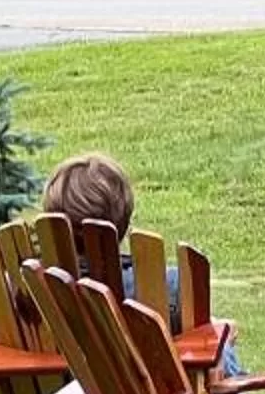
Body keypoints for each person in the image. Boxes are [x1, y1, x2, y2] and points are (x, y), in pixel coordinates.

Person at [39, 151, 236, 373]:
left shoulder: (28, 288)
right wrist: (222, 336)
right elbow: (216, 369)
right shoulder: (166, 286)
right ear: (123, 220)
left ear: (52, 224)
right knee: (221, 345)